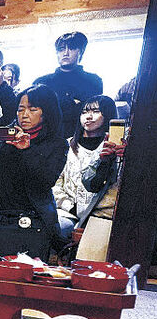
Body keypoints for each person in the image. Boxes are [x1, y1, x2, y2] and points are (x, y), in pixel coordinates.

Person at [0, 84, 68, 243]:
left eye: (32, 110)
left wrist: (26, 150)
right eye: (20, 109)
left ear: (46, 112)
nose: (24, 115)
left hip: (33, 214)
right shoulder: (6, 137)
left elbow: (44, 181)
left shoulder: (57, 143)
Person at [52, 95, 120, 238]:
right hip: (68, 212)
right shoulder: (67, 145)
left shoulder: (116, 147)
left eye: (95, 111)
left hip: (103, 215)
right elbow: (56, 183)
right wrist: (69, 206)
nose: (88, 116)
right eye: (84, 112)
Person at [33, 32, 103, 133]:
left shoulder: (93, 81)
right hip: (48, 139)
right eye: (61, 49)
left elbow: (91, 115)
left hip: (80, 137)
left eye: (71, 48)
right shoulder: (42, 82)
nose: (66, 53)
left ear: (81, 51)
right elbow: (38, 115)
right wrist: (73, 103)